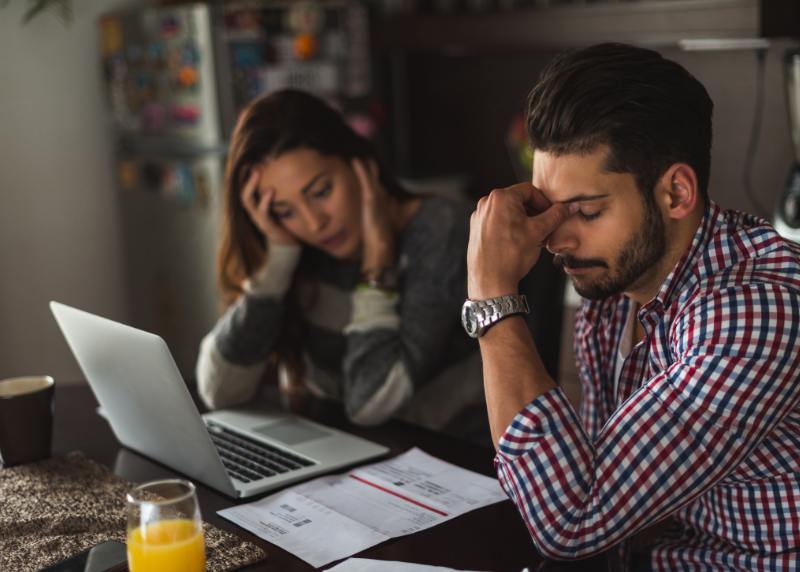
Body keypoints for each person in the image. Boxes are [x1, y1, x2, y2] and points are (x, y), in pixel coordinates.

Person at [464, 43, 800, 570]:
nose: (557, 239)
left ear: (676, 193)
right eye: (550, 210)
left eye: (586, 211)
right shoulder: (614, 288)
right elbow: (592, 492)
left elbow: (571, 519)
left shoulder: (754, 311)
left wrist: (492, 297)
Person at [197, 89, 480, 434]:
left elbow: (370, 404)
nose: (314, 223)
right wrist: (277, 263)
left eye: (320, 192)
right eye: (285, 211)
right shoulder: (300, 248)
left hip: (443, 461)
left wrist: (377, 264)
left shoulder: (442, 232)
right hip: (339, 453)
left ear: (359, 162)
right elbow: (219, 391)